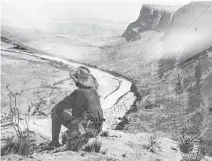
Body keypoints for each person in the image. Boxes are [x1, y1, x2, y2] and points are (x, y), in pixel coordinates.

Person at [49, 66, 104, 148]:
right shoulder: (93, 91)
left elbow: (59, 107)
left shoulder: (78, 93)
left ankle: (54, 143)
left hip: (87, 130)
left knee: (55, 111)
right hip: (97, 129)